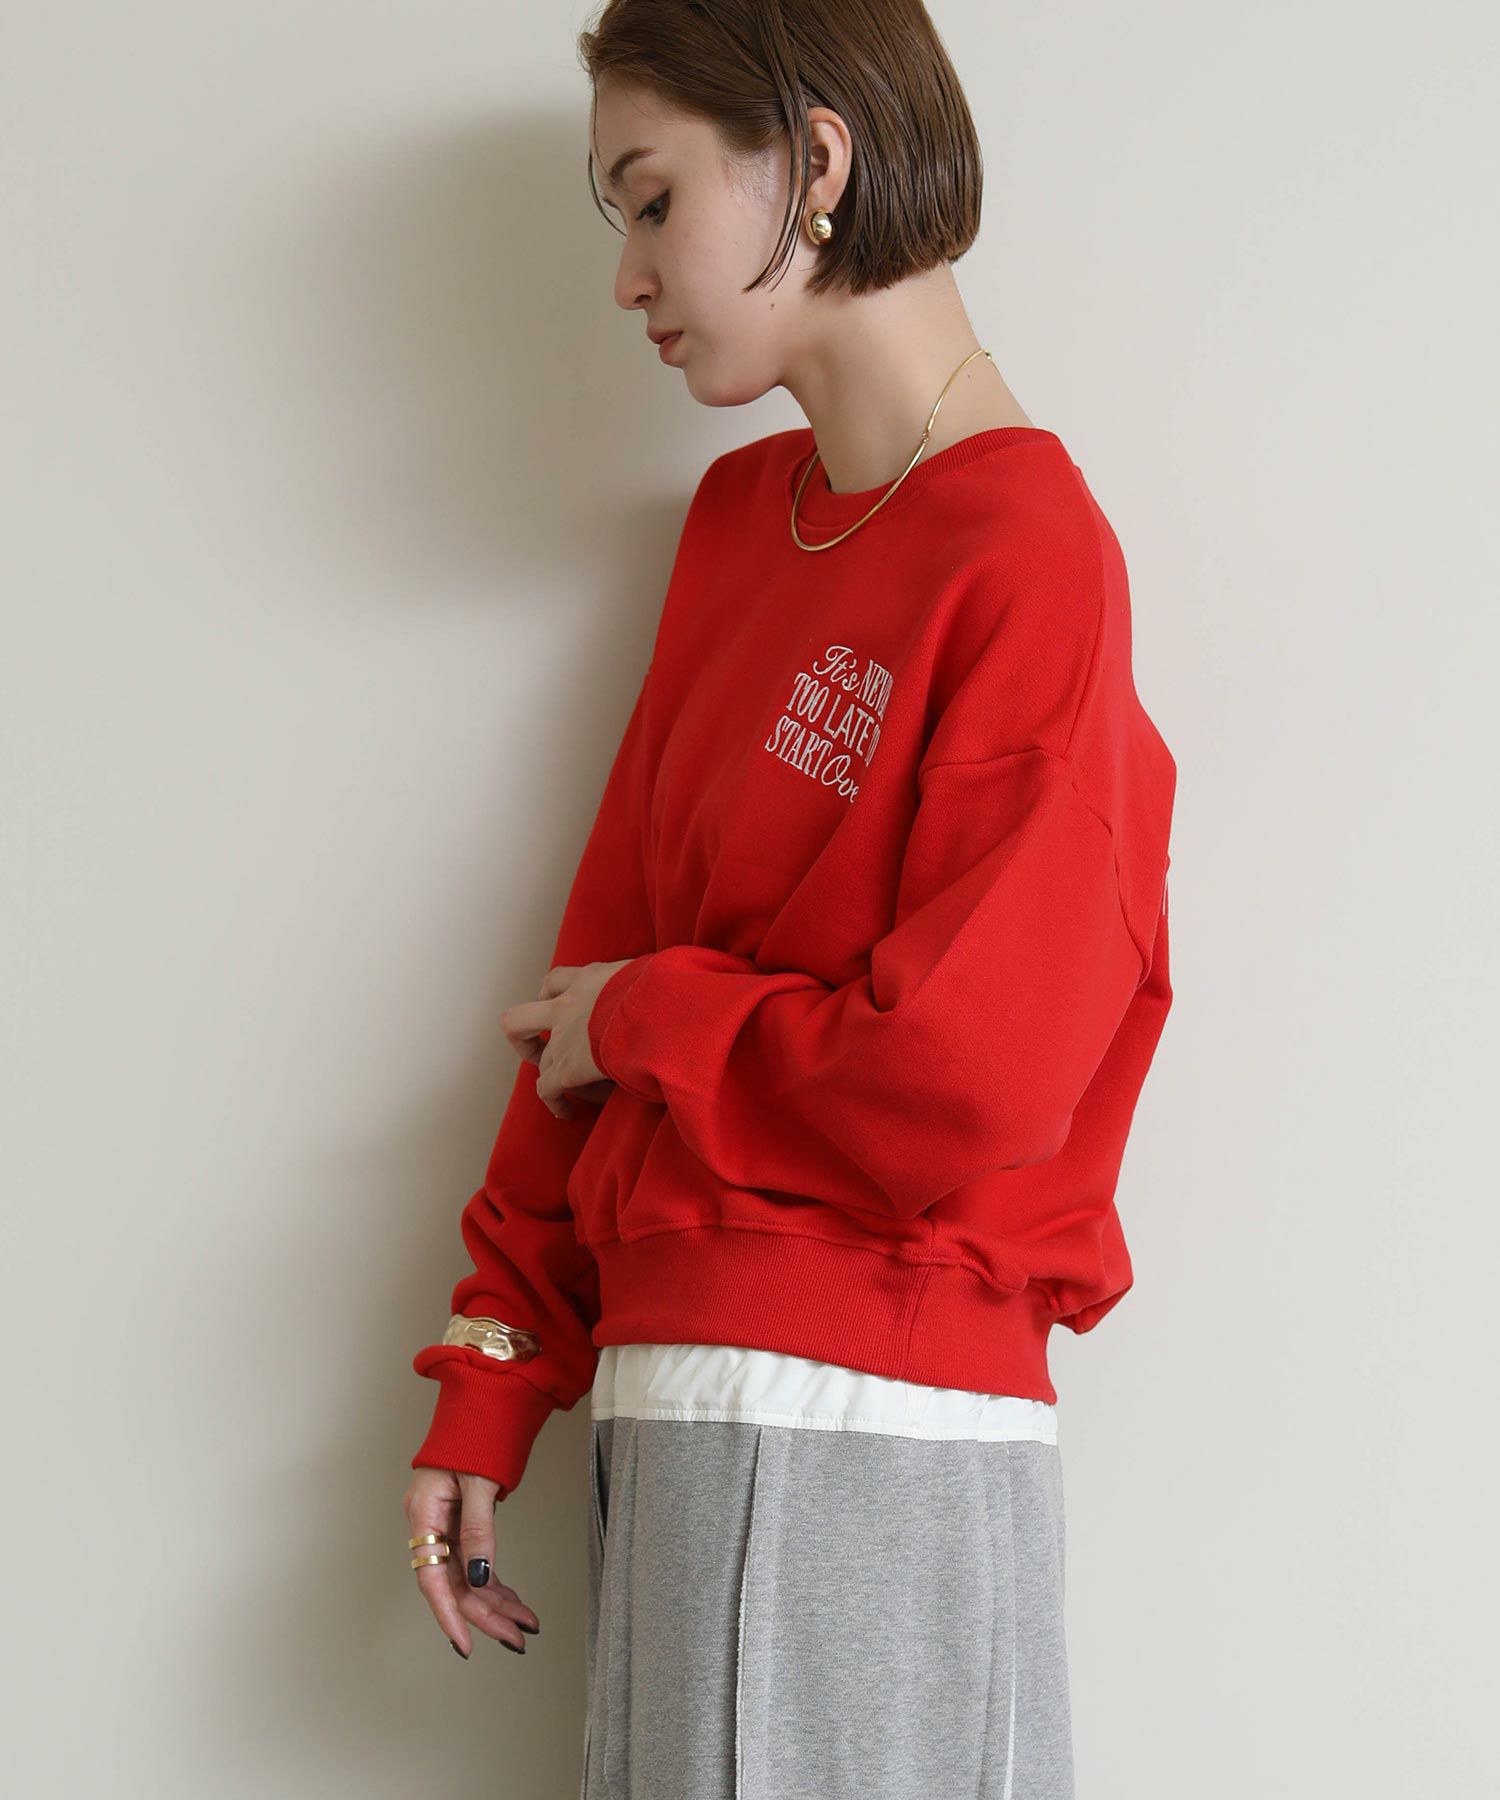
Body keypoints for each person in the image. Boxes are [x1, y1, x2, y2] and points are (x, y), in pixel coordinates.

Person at [402, 3, 1177, 1795]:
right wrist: (495, 1362)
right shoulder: (743, 522)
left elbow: (967, 1079)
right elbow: (581, 985)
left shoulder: (1030, 556)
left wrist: (653, 1017)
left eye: (652, 198)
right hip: (678, 1399)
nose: (628, 275)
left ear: (815, 163)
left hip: (870, 1425)